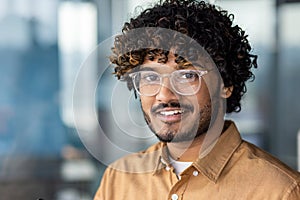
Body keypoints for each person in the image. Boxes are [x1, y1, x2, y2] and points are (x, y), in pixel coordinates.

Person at [94, 0, 300, 199]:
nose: (164, 95)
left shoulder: (280, 191)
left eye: (186, 76)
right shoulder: (118, 179)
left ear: (225, 84)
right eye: (150, 77)